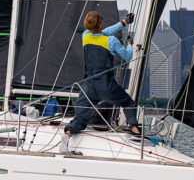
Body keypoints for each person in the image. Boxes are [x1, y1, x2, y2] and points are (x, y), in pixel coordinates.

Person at [60, 11, 141, 154]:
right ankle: (134, 128)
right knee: (128, 103)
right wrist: (129, 44)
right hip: (106, 86)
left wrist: (124, 23)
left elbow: (103, 32)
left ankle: (67, 135)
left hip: (88, 86)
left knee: (80, 118)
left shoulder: (86, 36)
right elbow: (128, 56)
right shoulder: (111, 41)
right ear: (101, 24)